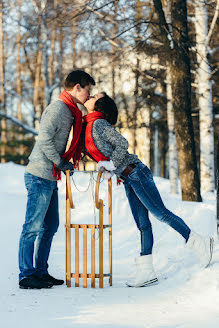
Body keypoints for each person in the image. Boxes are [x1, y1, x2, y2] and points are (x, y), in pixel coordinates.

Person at [83, 92, 214, 288]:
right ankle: (146, 271)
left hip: (136, 173)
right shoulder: (91, 124)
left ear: (99, 105)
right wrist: (108, 165)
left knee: (160, 214)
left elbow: (122, 143)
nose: (89, 96)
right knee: (143, 224)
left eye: (94, 96)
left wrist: (111, 164)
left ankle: (199, 242)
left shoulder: (99, 123)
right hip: (128, 177)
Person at [18, 70, 95, 289]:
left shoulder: (71, 111)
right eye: (88, 90)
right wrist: (61, 163)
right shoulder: (57, 108)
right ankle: (26, 275)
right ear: (77, 87)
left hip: (49, 177)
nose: (89, 95)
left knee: (50, 226)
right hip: (39, 174)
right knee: (32, 227)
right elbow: (44, 140)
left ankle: (41, 272)